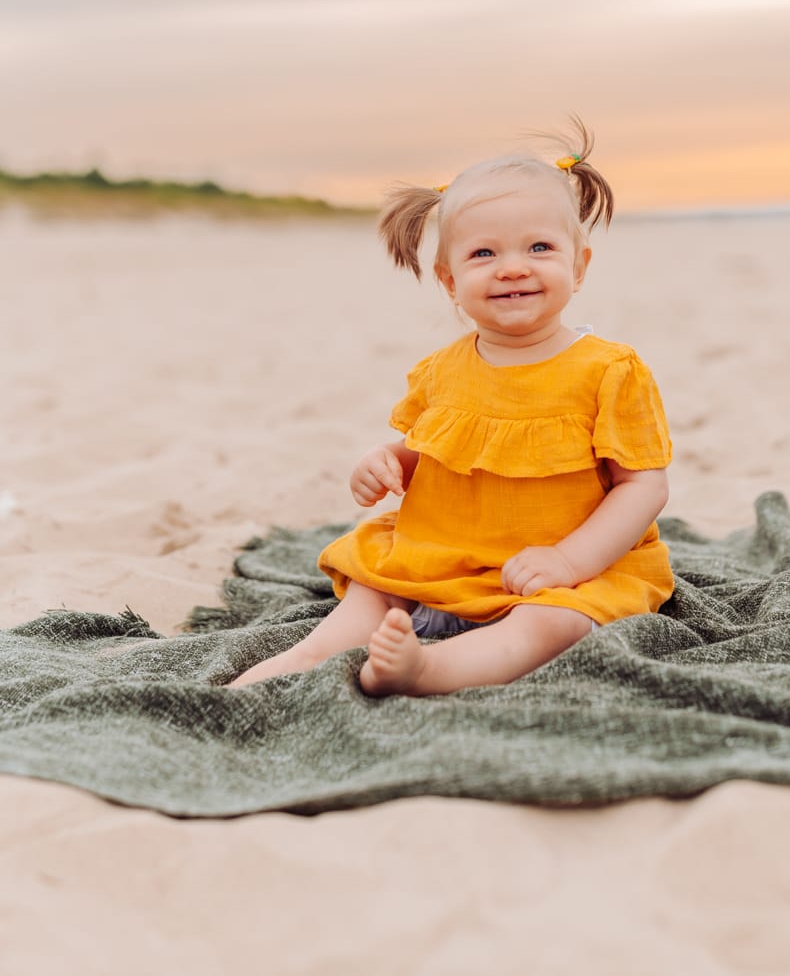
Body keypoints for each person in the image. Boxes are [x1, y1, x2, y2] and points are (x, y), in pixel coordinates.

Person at [228, 121, 674, 696]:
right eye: (483, 253)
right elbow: (431, 452)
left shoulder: (609, 370)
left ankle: (430, 670)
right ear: (449, 279)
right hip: (442, 556)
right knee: (373, 591)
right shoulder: (442, 370)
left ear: (580, 266)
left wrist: (567, 563)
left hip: (559, 571)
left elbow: (643, 486)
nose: (513, 267)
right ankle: (289, 665)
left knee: (550, 625)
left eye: (540, 247)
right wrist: (387, 461)